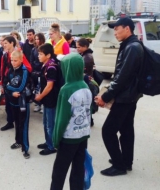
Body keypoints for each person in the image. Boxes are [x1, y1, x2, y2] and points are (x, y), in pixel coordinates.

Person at [95, 17, 144, 176]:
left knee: (108, 131)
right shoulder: (130, 45)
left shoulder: (132, 48)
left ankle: (119, 165)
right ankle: (126, 161)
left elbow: (123, 77)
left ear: (127, 29)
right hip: (130, 96)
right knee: (126, 128)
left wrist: (107, 95)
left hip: (125, 97)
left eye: (117, 28)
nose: (114, 32)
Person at [50, 53, 92, 190]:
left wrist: (56, 139)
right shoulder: (86, 86)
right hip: (83, 135)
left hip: (68, 138)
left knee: (59, 172)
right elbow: (88, 112)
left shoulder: (66, 90)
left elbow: (61, 118)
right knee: (78, 169)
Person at [0, 36, 32, 131]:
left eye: (6, 43)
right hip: (8, 83)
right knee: (8, 105)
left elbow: (28, 67)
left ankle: (19, 126)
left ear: (12, 43)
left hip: (18, 85)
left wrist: (19, 76)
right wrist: (2, 83)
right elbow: (2, 70)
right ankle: (10, 122)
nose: (3, 44)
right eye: (3, 43)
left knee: (18, 107)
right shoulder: (4, 55)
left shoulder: (19, 54)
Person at [4, 50, 31, 159]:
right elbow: (5, 83)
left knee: (23, 125)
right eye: (12, 60)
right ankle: (18, 141)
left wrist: (9, 87)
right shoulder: (10, 70)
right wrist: (10, 91)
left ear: (21, 60)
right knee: (16, 123)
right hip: (12, 101)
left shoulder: (24, 71)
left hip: (22, 102)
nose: (13, 62)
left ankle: (25, 148)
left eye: (15, 60)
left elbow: (21, 88)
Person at [35, 43, 60, 155]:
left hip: (51, 99)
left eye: (40, 54)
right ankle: (48, 141)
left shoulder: (52, 67)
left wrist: (40, 96)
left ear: (48, 55)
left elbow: (49, 86)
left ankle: (52, 146)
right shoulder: (46, 64)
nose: (38, 56)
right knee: (45, 123)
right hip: (47, 99)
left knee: (50, 124)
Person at [31, 33, 45, 113]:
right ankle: (37, 104)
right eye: (36, 39)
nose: (37, 41)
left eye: (38, 39)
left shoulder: (44, 48)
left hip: (42, 70)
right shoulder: (34, 49)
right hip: (35, 71)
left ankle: (43, 104)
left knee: (42, 88)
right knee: (36, 88)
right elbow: (31, 60)